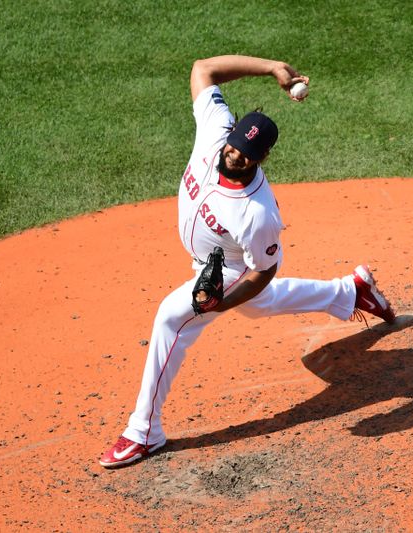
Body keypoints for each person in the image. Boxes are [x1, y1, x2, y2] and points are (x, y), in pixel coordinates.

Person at [99, 55, 396, 468]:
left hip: (230, 271)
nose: (234, 156)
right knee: (259, 307)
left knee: (171, 317)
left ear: (263, 158)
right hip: (207, 259)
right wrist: (272, 66)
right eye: (234, 145)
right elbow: (203, 69)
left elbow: (263, 272)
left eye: (246, 154)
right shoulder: (215, 131)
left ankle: (143, 431)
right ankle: (351, 290)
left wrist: (219, 301)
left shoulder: (258, 214)